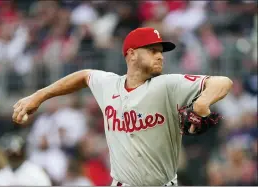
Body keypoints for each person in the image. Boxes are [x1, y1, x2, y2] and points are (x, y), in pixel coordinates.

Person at [12, 27, 233, 186]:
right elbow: (84, 76)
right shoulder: (109, 84)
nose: (160, 56)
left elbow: (223, 82)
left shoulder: (167, 85)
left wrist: (203, 102)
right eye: (152, 50)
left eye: (161, 51)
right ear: (132, 54)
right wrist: (39, 96)